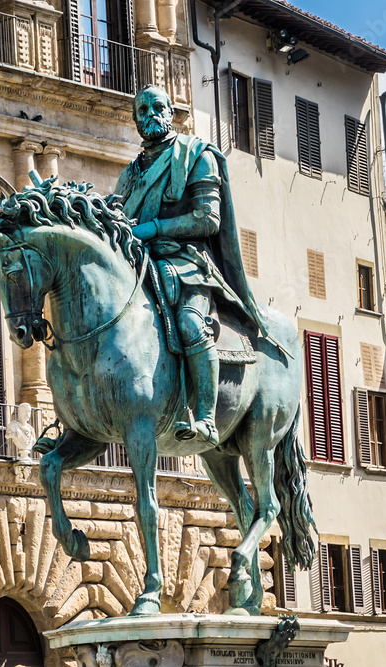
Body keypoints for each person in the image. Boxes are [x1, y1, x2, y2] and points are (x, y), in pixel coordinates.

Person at [113, 85, 268, 447]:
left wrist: (155, 228)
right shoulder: (130, 174)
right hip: (140, 264)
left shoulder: (197, 155)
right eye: (142, 110)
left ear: (172, 113)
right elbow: (116, 216)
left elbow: (208, 218)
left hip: (187, 264)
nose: (151, 114)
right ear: (135, 120)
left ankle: (207, 417)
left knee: (189, 322)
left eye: (158, 107)